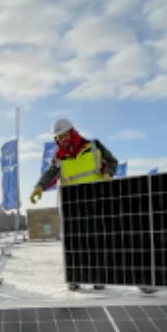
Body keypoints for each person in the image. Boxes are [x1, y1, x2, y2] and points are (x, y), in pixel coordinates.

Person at [30, 118, 118, 291]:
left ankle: (98, 277)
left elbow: (112, 162)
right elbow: (50, 174)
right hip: (73, 203)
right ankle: (75, 277)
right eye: (59, 137)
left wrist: (108, 173)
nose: (62, 139)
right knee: (74, 241)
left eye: (64, 135)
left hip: (95, 200)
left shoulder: (94, 146)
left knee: (96, 240)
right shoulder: (59, 158)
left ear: (72, 132)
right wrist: (39, 187)